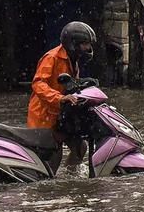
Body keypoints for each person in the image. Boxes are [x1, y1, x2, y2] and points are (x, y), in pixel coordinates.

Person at [27, 21, 96, 166]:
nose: (88, 48)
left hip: (61, 116)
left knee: (80, 147)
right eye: (85, 44)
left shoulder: (73, 61)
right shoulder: (52, 57)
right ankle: (50, 185)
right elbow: (38, 83)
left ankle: (71, 180)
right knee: (54, 155)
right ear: (73, 43)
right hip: (44, 117)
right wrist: (60, 98)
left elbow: (71, 86)